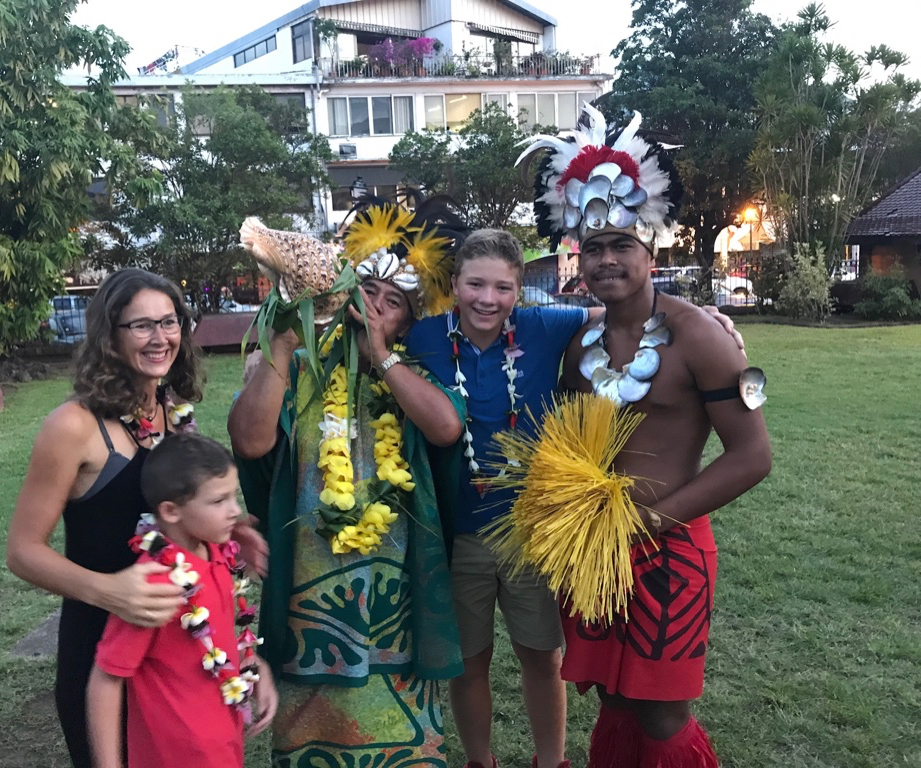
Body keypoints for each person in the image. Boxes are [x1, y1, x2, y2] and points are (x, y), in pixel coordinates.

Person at [401, 226, 742, 768]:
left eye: (503, 288)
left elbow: (626, 315)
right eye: (475, 285)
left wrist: (707, 318)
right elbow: (374, 326)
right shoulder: (426, 338)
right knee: (591, 691)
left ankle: (551, 762)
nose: (487, 299)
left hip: (559, 536)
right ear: (457, 283)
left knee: (577, 672)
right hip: (499, 535)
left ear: (520, 291)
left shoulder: (546, 326)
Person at [526, 103, 772, 766]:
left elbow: (753, 456)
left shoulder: (703, 336)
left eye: (622, 245)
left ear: (650, 248)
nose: (606, 258)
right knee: (612, 697)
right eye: (594, 246)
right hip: (593, 549)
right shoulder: (579, 343)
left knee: (664, 713)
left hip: (671, 548)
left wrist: (655, 521)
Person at [230, 212, 467, 766]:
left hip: (395, 610)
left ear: (406, 323)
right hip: (307, 601)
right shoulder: (293, 369)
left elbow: (446, 428)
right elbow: (248, 441)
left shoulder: (414, 377)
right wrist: (284, 348)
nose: (375, 305)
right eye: (367, 288)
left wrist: (382, 358)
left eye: (392, 301)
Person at [6, 268, 266, 767]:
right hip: (103, 652)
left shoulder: (172, 415)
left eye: (170, 322)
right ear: (109, 335)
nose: (160, 338)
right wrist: (110, 591)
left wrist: (230, 533)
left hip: (177, 656)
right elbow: (22, 551)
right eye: (141, 325)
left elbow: (175, 512)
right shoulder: (73, 427)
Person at [87, 433, 277, 768]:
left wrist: (255, 666)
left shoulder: (217, 554)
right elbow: (107, 678)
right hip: (173, 755)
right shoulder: (156, 584)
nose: (235, 511)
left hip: (221, 746)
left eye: (233, 496)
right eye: (219, 501)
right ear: (171, 511)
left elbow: (215, 636)